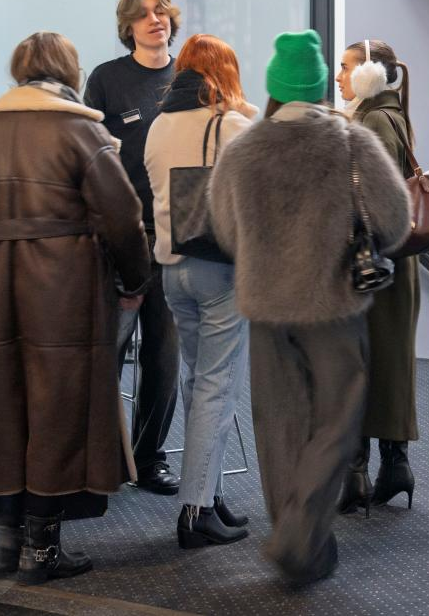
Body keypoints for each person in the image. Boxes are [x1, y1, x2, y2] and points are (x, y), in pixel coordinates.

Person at [0, 32, 152, 582]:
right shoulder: (82, 131)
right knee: (58, 407)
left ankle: (8, 539)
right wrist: (135, 279)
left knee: (4, 404)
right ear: (69, 71)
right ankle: (42, 549)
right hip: (67, 288)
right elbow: (123, 216)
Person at [209, 30, 410, 585]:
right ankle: (300, 537)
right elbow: (395, 221)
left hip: (266, 307)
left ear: (274, 87)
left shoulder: (242, 149)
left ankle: (297, 539)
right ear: (321, 86)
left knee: (278, 425)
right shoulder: (351, 144)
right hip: (334, 307)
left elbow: (225, 230)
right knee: (337, 420)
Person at [143, 34, 256, 548]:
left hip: (172, 271)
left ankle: (208, 493)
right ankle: (195, 511)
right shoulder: (230, 125)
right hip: (219, 270)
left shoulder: (158, 125)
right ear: (224, 74)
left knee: (197, 383)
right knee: (217, 387)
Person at [84, 0, 182, 495]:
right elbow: (91, 156)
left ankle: (149, 457)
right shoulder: (106, 79)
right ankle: (102, 458)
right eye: (143, 14)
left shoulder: (189, 78)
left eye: (161, 11)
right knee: (108, 352)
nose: (154, 20)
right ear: (128, 27)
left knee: (163, 356)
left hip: (172, 234)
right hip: (121, 236)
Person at [334, 39, 420, 514]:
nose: (339, 77)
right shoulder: (387, 114)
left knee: (364, 364)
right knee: (387, 364)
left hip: (375, 263)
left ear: (370, 73)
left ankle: (359, 474)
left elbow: (373, 195)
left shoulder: (373, 121)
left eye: (346, 68)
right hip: (390, 261)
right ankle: (393, 467)